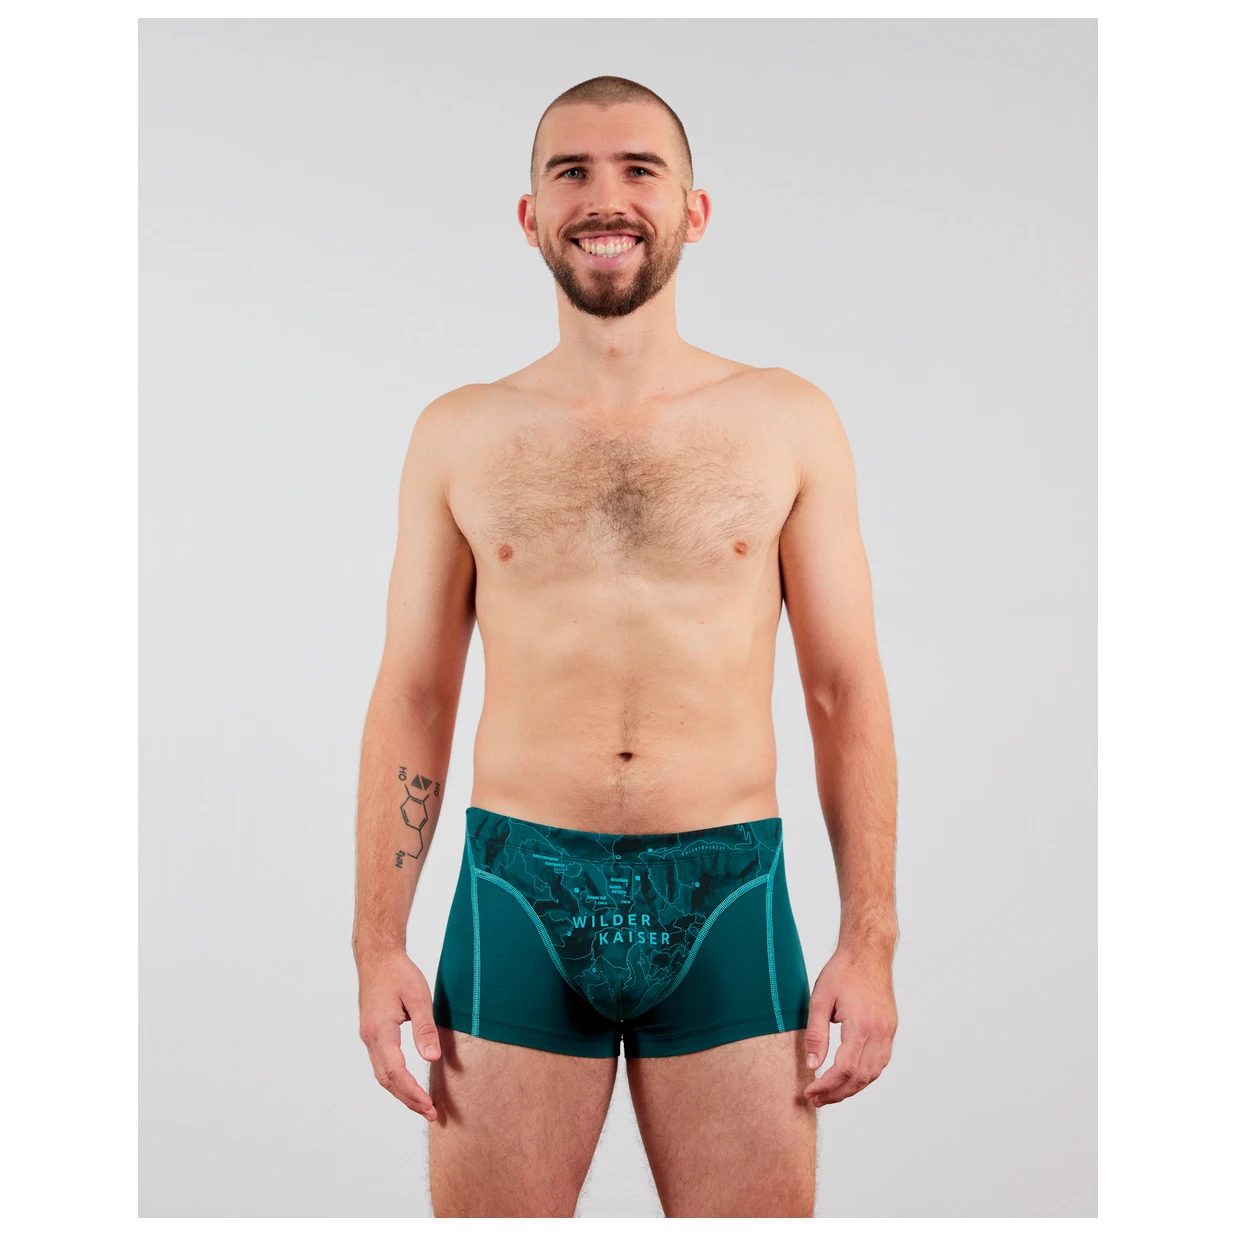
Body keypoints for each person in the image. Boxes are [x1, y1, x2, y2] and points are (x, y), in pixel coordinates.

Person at [352, 75, 899, 1219]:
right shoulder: (462, 432)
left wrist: (869, 940)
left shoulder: (787, 421)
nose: (607, 198)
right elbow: (414, 697)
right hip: (517, 892)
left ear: (694, 210)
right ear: (531, 216)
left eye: (640, 169)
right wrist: (376, 942)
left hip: (728, 891)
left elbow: (843, 692)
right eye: (573, 172)